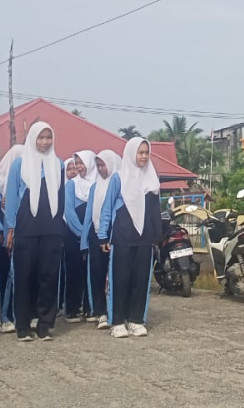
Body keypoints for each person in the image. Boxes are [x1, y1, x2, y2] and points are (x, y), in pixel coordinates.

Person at [5, 122, 65, 342]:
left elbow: (61, 198)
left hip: (51, 229)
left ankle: (44, 323)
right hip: (26, 228)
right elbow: (11, 199)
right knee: (24, 277)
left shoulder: (58, 164)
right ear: (32, 139)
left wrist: (60, 229)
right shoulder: (19, 165)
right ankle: (22, 324)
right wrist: (9, 228)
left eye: (49, 137)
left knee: (48, 277)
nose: (45, 142)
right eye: (41, 138)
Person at [97, 137, 161, 339]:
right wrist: (102, 235)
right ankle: (116, 321)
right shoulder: (118, 178)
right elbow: (107, 208)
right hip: (122, 237)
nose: (143, 156)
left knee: (141, 281)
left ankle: (136, 320)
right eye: (140, 152)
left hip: (144, 239)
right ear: (131, 153)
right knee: (120, 279)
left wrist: (157, 236)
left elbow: (155, 211)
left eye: (146, 152)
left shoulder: (152, 179)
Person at [84, 149, 120, 330]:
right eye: (97, 165)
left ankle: (115, 310)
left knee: (114, 275)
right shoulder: (94, 186)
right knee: (97, 274)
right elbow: (89, 215)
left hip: (115, 233)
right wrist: (85, 240)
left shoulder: (119, 183)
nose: (100, 168)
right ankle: (100, 312)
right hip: (96, 234)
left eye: (103, 164)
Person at [63, 150, 96, 322]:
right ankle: (72, 308)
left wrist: (90, 234)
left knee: (90, 271)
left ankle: (89, 307)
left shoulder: (98, 183)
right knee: (74, 271)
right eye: (77, 163)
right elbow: (69, 212)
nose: (79, 167)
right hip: (73, 235)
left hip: (93, 234)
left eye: (82, 163)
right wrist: (82, 234)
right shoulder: (71, 184)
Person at [0, 144, 23, 334]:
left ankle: (20, 313)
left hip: (24, 232)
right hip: (3, 233)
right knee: (5, 275)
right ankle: (5, 317)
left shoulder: (28, 181)